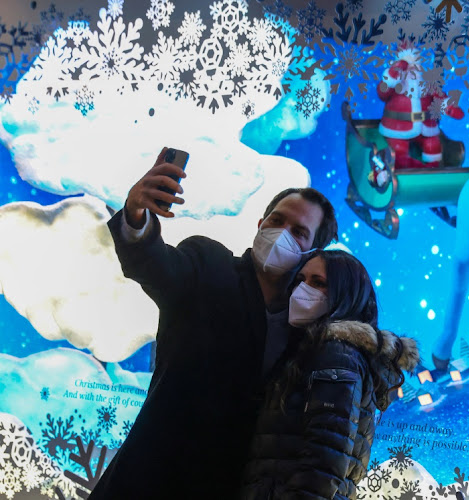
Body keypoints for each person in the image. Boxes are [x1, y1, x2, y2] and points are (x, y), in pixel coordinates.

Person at [89, 148, 338, 499]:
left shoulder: (309, 330)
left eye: (298, 232)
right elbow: (153, 263)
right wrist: (135, 213)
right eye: (277, 220)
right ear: (260, 223)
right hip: (151, 479)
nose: (282, 234)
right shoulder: (209, 264)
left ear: (312, 252)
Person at [242, 249, 419, 499]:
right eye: (300, 281)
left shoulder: (336, 353)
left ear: (346, 296)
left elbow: (324, 461)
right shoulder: (317, 351)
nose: (302, 290)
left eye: (318, 283)